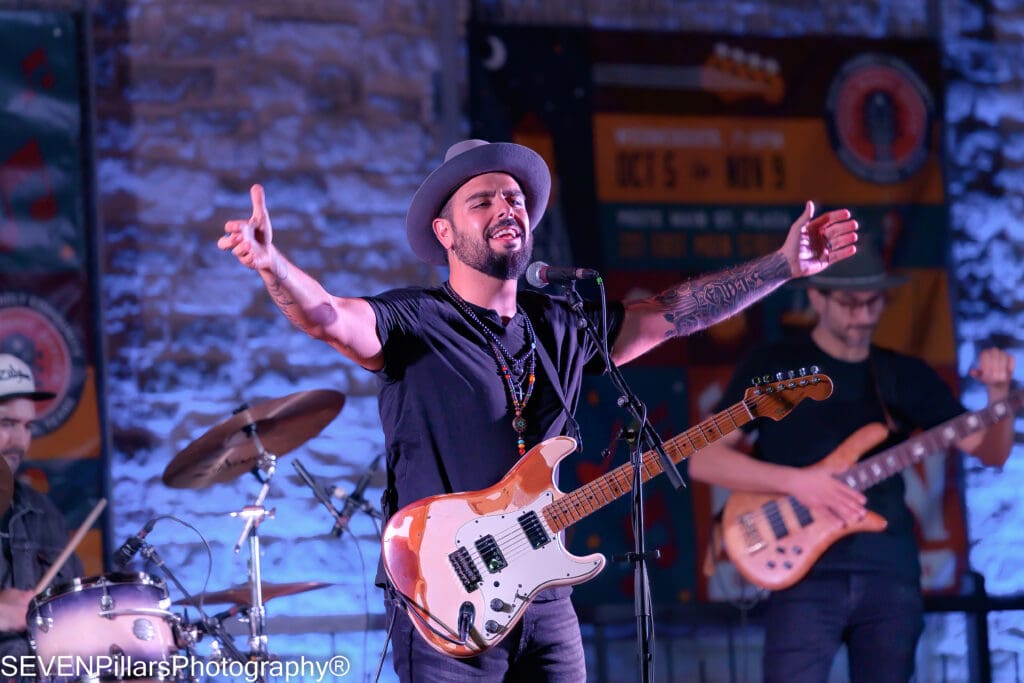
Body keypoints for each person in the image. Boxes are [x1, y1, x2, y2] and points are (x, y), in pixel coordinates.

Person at [218, 138, 859, 682]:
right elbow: (330, 317)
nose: (507, 207)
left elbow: (674, 314)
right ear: (444, 233)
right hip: (446, 602)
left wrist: (781, 265)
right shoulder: (415, 320)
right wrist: (273, 265)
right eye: (483, 200)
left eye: (515, 198)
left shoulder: (564, 319)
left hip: (546, 596)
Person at [687, 240, 1016, 683]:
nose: (863, 315)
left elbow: (991, 453)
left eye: (872, 301)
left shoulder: (902, 374)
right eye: (848, 303)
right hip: (801, 576)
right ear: (817, 297)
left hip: (889, 571)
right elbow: (703, 460)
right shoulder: (775, 367)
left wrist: (999, 397)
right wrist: (801, 484)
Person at [0, 353, 83, 674]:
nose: (19, 441)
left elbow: (75, 614)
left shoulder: (44, 512)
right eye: (6, 424)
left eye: (28, 426)